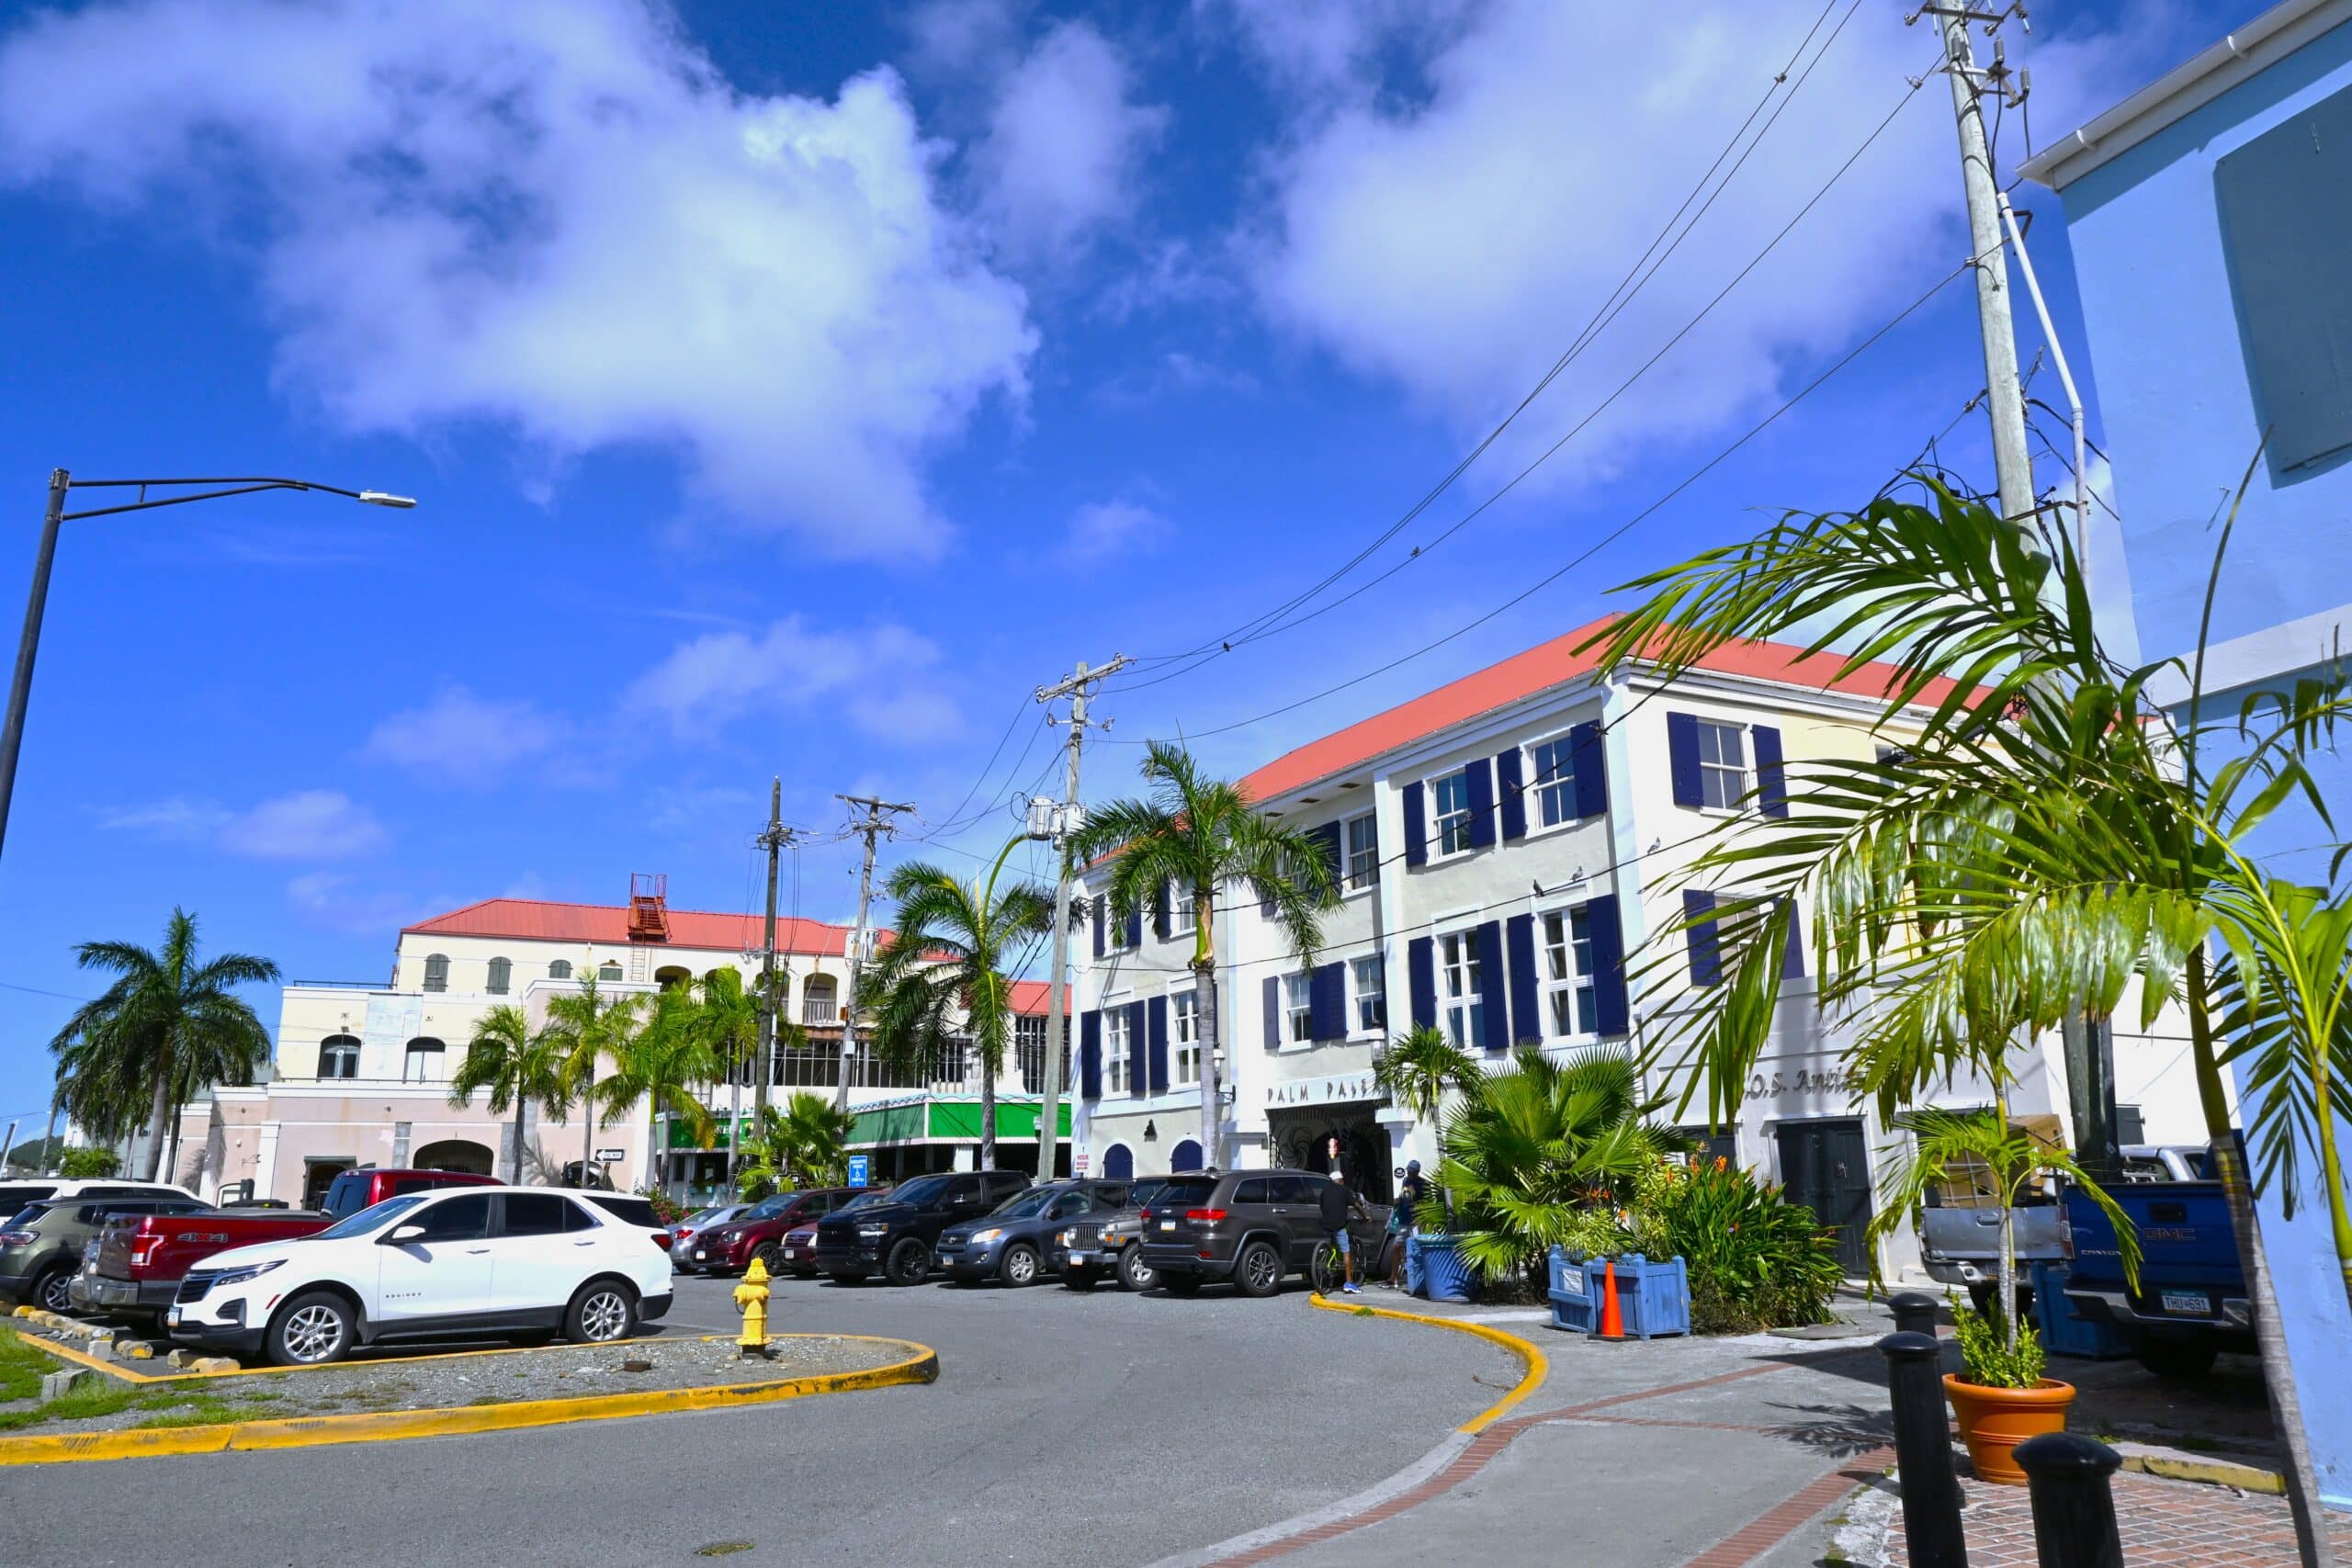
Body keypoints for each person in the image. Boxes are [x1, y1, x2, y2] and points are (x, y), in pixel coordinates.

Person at [1319, 1167, 1367, 1294]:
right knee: (1346, 1252)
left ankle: (1326, 1259)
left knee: (1331, 1244)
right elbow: (1356, 1204)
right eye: (1343, 1180)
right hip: (1339, 1225)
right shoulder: (1344, 1190)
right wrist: (1365, 1216)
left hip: (1325, 1225)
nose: (1344, 1183)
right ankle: (1349, 1284)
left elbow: (1322, 1207)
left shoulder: (1324, 1191)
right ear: (1339, 1180)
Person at [1386, 1159, 1428, 1292]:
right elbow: (1403, 1196)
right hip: (1404, 1220)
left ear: (1416, 1172)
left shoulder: (1423, 1184)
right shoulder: (1405, 1181)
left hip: (1416, 1221)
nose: (1408, 1173)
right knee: (1396, 1247)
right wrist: (1398, 1200)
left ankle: (1419, 1278)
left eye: (1411, 1171)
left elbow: (1426, 1202)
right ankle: (1393, 1276)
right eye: (1408, 1171)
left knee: (1416, 1249)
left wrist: (1418, 1206)